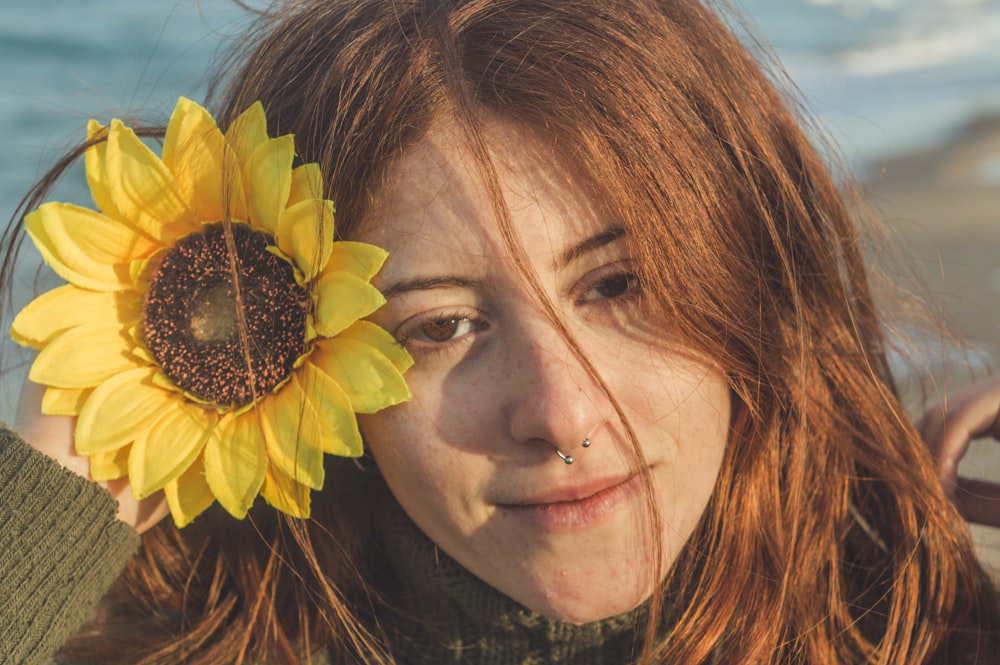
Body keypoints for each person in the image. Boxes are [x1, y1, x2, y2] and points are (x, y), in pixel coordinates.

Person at [1, 0, 999, 663]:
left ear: (757, 277)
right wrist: (38, 530)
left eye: (620, 285)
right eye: (439, 325)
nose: (560, 411)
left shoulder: (922, 627)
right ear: (290, 378)